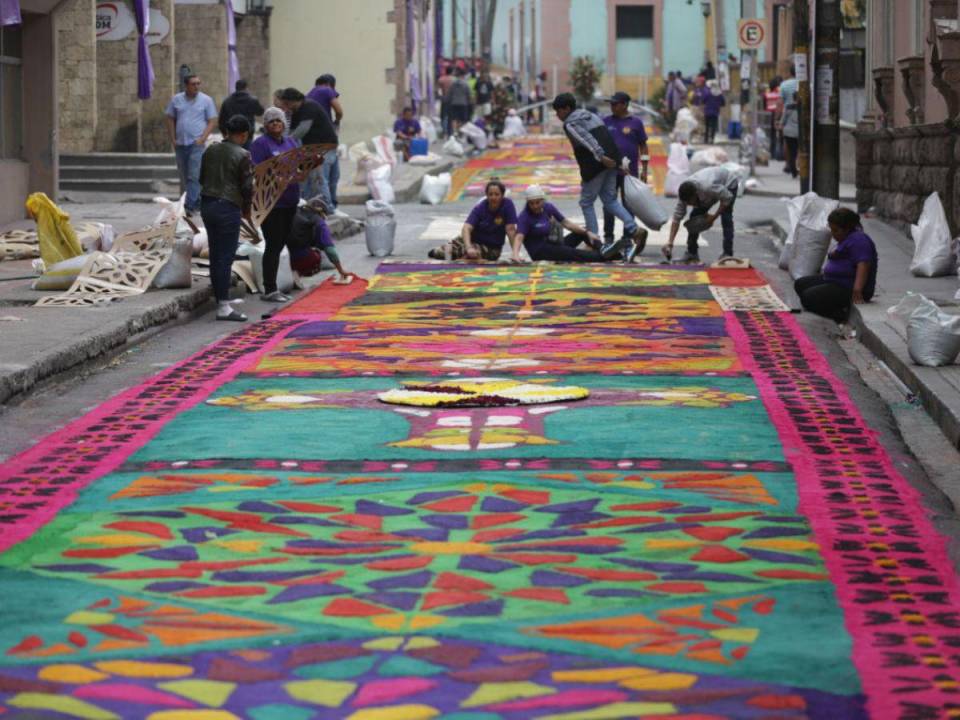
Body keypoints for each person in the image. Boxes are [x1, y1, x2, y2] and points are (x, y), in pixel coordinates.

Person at [551, 93, 646, 260]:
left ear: (566, 109)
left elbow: (586, 139)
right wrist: (616, 161)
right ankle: (633, 228)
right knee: (610, 200)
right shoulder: (591, 115)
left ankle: (593, 240)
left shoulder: (570, 123)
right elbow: (607, 137)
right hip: (611, 161)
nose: (557, 115)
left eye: (558, 111)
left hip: (596, 163)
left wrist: (601, 157)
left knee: (586, 201)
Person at [199, 115, 253, 322]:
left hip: (208, 204)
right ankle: (223, 306)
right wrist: (247, 210)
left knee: (216, 255)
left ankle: (222, 300)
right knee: (225, 257)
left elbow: (202, 177)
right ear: (244, 134)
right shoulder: (243, 154)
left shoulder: (210, 150)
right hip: (228, 207)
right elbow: (248, 187)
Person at [249, 106, 302, 303]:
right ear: (266, 125)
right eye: (271, 121)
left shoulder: (290, 142)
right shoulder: (260, 144)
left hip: (290, 200)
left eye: (278, 120)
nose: (276, 124)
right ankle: (269, 289)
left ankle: (277, 285)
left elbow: (298, 163)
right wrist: (276, 174)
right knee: (273, 244)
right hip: (271, 203)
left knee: (281, 243)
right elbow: (256, 170)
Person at [795, 208, 877, 322]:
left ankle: (840, 315)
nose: (833, 234)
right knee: (800, 284)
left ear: (847, 229)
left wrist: (857, 290)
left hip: (848, 286)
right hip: (835, 280)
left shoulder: (860, 240)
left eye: (836, 230)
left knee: (808, 298)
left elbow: (863, 264)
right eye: (831, 230)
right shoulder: (847, 238)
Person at [511, 185, 630, 263]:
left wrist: (588, 233)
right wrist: (515, 254)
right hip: (540, 251)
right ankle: (614, 256)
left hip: (553, 243)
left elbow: (566, 223)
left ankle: (603, 249)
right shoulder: (524, 216)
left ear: (543, 200)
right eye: (532, 203)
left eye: (538, 202)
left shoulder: (548, 207)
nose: (535, 206)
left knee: (582, 232)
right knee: (573, 254)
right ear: (528, 203)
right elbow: (519, 237)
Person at [663, 165, 741, 264]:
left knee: (726, 217)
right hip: (710, 192)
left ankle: (728, 253)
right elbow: (676, 218)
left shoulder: (707, 187)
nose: (690, 205)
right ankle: (692, 253)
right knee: (693, 218)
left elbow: (727, 198)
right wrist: (670, 242)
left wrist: (713, 217)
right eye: (688, 204)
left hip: (728, 183)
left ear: (696, 194)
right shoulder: (684, 196)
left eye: (691, 203)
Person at [165, 74, 218, 217]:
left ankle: (189, 205)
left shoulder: (206, 100)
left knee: (194, 175)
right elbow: (169, 118)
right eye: (193, 84)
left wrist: (203, 138)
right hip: (180, 144)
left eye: (198, 84)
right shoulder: (176, 99)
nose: (196, 87)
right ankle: (194, 201)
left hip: (196, 144)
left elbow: (212, 120)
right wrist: (173, 139)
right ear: (186, 85)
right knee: (184, 175)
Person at [428, 179, 518, 261]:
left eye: (497, 194)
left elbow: (510, 230)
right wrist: (468, 247)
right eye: (490, 194)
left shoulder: (507, 205)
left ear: (502, 195)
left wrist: (515, 253)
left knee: (472, 253)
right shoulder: (481, 207)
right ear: (486, 195)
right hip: (471, 239)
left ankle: (462, 256)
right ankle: (457, 255)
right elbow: (466, 228)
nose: (493, 198)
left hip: (491, 247)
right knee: (439, 252)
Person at [279, 88, 339, 208]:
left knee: (320, 179)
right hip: (311, 148)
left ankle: (328, 208)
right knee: (309, 179)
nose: (286, 107)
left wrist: (285, 143)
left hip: (324, 146)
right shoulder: (296, 111)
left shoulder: (309, 106)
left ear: (295, 100)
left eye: (287, 104)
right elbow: (291, 131)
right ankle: (308, 206)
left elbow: (302, 129)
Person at [603, 91, 649, 247]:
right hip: (609, 172)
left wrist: (645, 169)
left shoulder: (636, 123)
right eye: (611, 104)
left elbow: (643, 145)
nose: (612, 107)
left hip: (630, 173)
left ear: (625, 104)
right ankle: (608, 237)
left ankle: (627, 237)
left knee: (628, 204)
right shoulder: (605, 121)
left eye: (615, 104)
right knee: (608, 203)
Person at [287, 196, 351, 282]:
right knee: (316, 256)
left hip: (282, 257)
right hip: (300, 259)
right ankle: (298, 273)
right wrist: (341, 270)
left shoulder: (295, 212)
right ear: (322, 214)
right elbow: (330, 251)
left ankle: (291, 273)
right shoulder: (320, 224)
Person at [219, 79, 264, 148]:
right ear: (246, 88)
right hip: (247, 135)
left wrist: (225, 134)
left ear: (236, 87)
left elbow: (221, 121)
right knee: (246, 157)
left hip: (231, 135)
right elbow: (260, 112)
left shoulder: (227, 101)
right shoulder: (252, 100)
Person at [779, 66, 800, 178]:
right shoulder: (805, 84)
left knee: (788, 147)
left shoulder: (784, 85)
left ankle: (789, 164)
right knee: (799, 148)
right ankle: (798, 165)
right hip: (799, 129)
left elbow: (780, 103)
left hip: (788, 128)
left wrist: (779, 122)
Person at [697, 80, 726, 145]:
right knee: (713, 126)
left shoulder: (708, 93)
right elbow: (723, 103)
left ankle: (706, 139)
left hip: (707, 112)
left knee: (707, 126)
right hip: (715, 112)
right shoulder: (719, 94)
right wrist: (718, 104)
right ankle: (712, 139)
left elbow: (703, 100)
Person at [445, 70, 472, 135]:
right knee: (462, 119)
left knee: (454, 118)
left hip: (454, 103)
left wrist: (448, 101)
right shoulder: (466, 84)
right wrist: (469, 102)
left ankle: (454, 131)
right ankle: (459, 131)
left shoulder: (453, 84)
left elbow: (449, 94)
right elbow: (468, 94)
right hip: (463, 103)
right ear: (462, 76)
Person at [764, 77, 782, 160]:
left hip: (768, 115)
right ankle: (779, 154)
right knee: (780, 135)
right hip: (778, 115)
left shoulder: (767, 94)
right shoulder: (779, 93)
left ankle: (771, 153)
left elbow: (764, 105)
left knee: (771, 135)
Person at [437, 66, 456, 137]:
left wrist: (440, 97)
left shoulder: (441, 79)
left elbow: (439, 90)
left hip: (444, 99)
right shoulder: (454, 80)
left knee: (443, 115)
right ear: (452, 72)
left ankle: (443, 130)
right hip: (452, 100)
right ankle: (450, 131)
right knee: (451, 116)